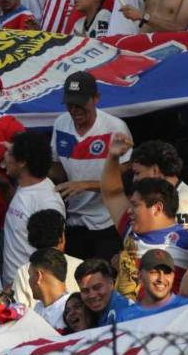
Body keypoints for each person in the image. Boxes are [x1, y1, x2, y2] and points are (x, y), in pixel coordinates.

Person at [50, 71, 133, 261]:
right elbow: (57, 168)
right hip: (73, 221)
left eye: (80, 104)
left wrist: (85, 185)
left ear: (96, 98)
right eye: (70, 104)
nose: (74, 110)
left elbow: (126, 177)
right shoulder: (60, 124)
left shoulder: (115, 127)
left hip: (107, 221)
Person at [99, 133, 188, 299]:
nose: (128, 210)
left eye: (135, 205)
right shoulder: (132, 227)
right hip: (125, 317)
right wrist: (113, 156)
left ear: (157, 208)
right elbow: (111, 194)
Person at [0, 130, 65, 287]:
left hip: (30, 290)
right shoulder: (24, 186)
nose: (4, 157)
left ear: (22, 162)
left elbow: (53, 254)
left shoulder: (47, 201)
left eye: (9, 153)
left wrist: (24, 286)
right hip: (13, 286)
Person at [114, 249, 188, 321]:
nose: (161, 279)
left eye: (167, 273)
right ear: (140, 276)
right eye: (154, 272)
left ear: (173, 276)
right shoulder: (125, 317)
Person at [74, 258, 133, 326]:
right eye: (85, 291)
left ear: (111, 283)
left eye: (97, 287)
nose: (92, 295)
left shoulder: (127, 315)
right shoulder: (88, 314)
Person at [28, 247, 70, 330]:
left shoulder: (70, 310)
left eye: (30, 275)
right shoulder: (38, 308)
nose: (29, 280)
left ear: (38, 276)